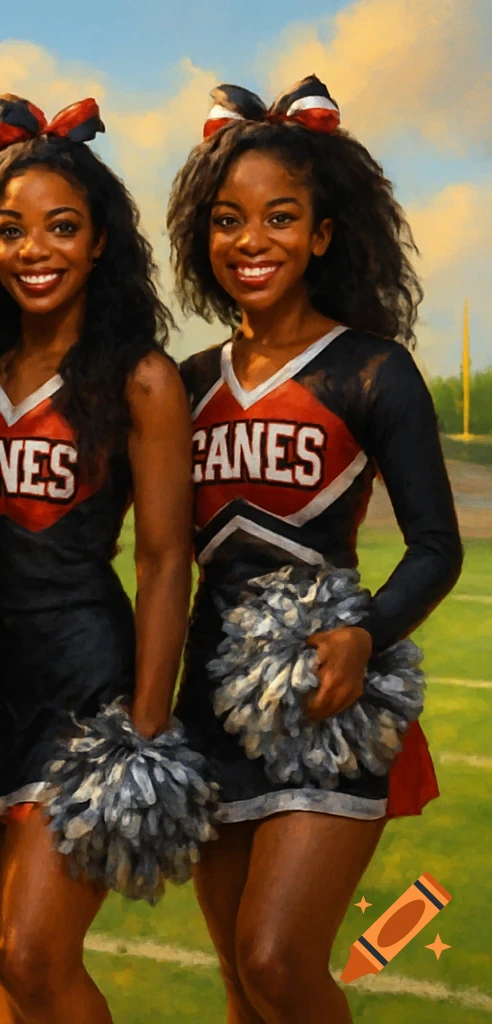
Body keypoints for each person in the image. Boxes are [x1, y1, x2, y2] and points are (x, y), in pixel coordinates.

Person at [166, 76, 462, 1024]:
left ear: (324, 234)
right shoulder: (185, 382)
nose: (252, 241)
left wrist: (365, 634)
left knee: (278, 959)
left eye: (280, 218)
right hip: (211, 705)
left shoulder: (372, 367)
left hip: (328, 703)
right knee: (242, 984)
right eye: (228, 219)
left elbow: (435, 547)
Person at [0, 94, 191, 1024]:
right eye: (11, 231)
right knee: (9, 968)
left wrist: (146, 729)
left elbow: (162, 561)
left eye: (61, 228)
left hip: (84, 689)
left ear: (101, 243)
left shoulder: (140, 379)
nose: (34, 251)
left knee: (33, 956)